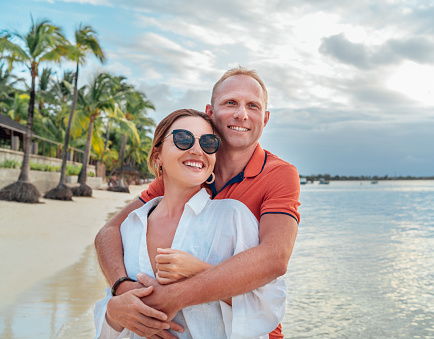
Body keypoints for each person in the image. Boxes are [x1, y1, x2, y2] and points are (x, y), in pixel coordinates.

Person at [95, 67, 301, 338]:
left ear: (265, 118)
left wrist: (169, 298)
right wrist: (123, 292)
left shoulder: (278, 174)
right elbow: (111, 231)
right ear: (210, 111)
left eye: (253, 106)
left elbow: (274, 259)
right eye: (230, 103)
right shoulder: (184, 172)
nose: (242, 114)